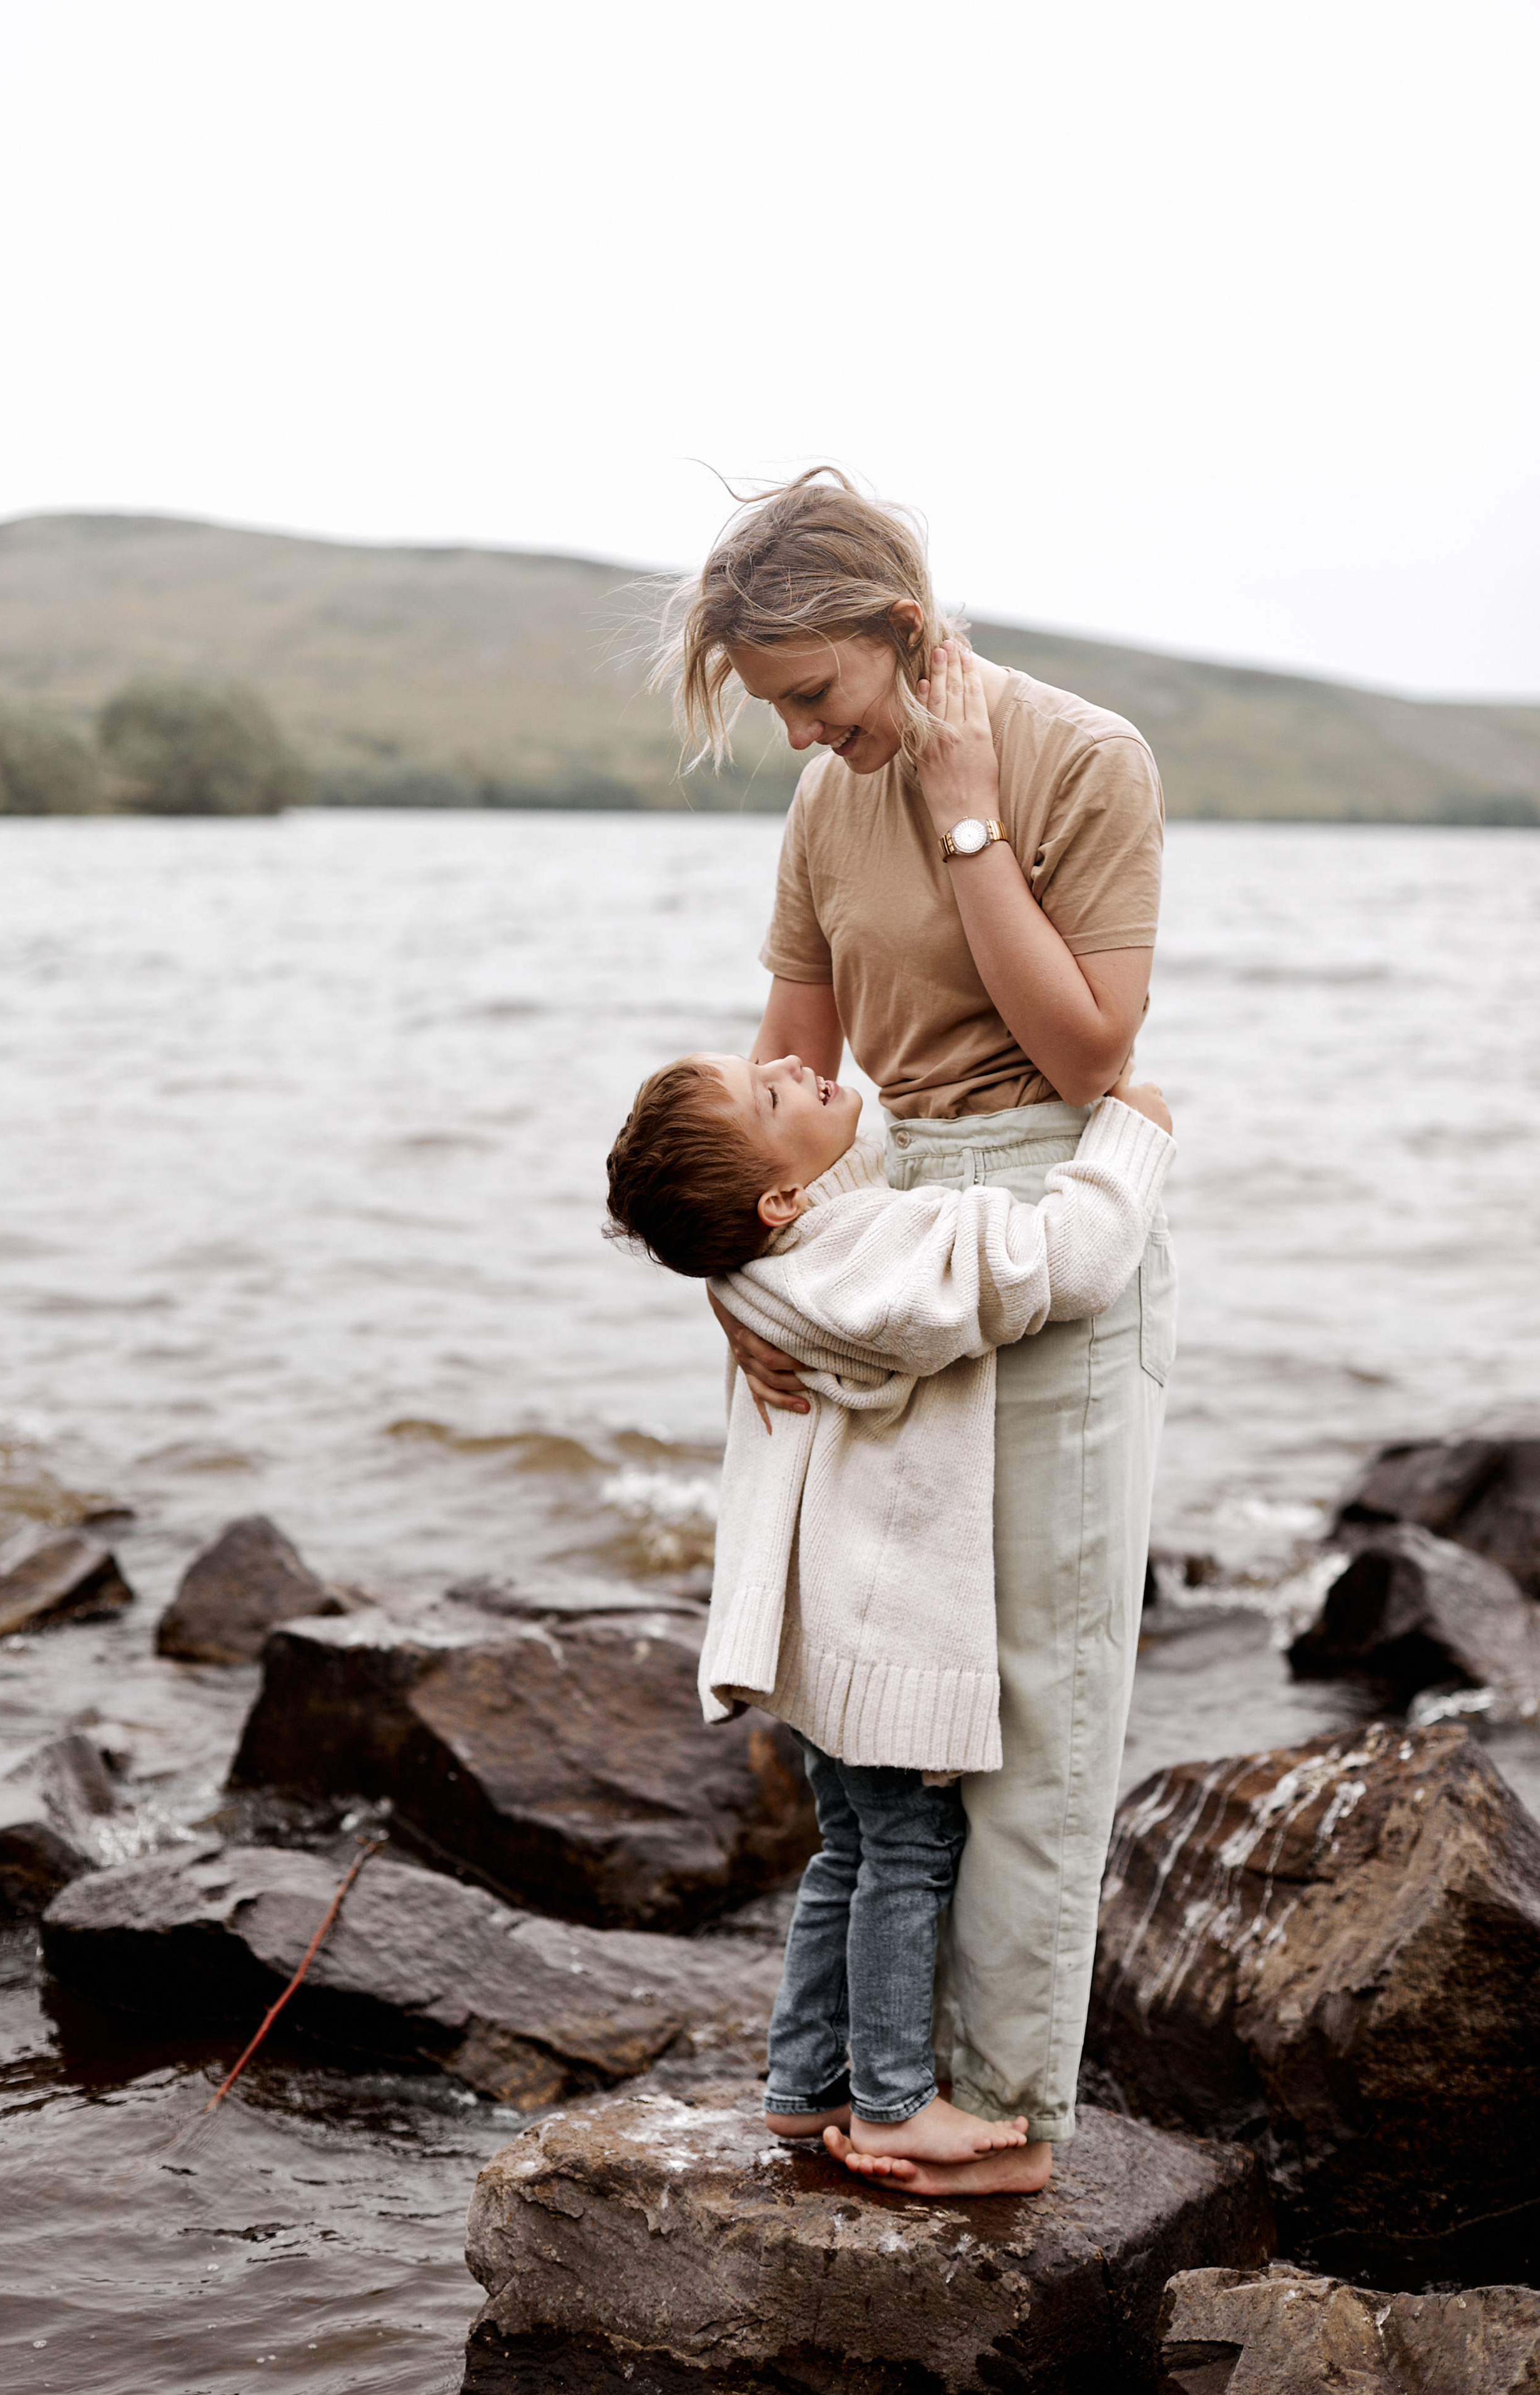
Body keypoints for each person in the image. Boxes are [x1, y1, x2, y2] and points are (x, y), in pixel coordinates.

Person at [650, 469, 1176, 2195]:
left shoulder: (1085, 758)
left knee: (1043, 1695)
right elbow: (781, 1080)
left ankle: (993, 2099)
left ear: (902, 627)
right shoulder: (820, 807)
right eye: (780, 706)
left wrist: (964, 817)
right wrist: (742, 1284)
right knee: (901, 1702)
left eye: (817, 694)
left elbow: (1092, 1056)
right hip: (876, 1244)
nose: (806, 735)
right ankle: (877, 2085)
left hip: (1046, 1230)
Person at [605, 1047, 1174, 2174]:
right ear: (777, 1198)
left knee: (848, 1848)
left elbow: (838, 1169)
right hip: (883, 1638)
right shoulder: (879, 1255)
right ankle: (893, 2098)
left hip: (822, 1646)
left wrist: (717, 1274)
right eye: (768, 1091)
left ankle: (800, 2081)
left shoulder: (767, 1266)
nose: (787, 1058)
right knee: (910, 1849)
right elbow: (1065, 1261)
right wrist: (1131, 1138)